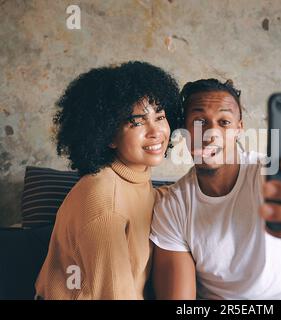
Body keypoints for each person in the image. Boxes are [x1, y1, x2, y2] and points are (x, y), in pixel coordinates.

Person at [150, 79, 281, 299]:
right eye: (199, 121)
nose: (211, 133)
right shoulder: (172, 206)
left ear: (239, 130)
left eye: (224, 122)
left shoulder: (270, 175)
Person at [35, 61, 181, 299]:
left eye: (160, 116)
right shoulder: (104, 202)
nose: (156, 131)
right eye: (137, 121)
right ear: (109, 134)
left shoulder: (135, 178)